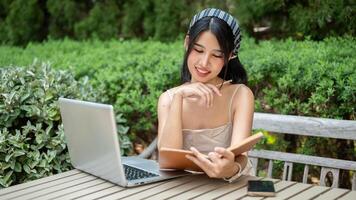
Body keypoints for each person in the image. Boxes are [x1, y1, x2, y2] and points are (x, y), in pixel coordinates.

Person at [157, 8, 254, 182]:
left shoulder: (240, 95)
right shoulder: (168, 99)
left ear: (230, 55)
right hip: (185, 189)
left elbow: (241, 155)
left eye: (217, 55)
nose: (204, 63)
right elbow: (167, 162)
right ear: (187, 43)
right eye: (198, 50)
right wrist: (179, 98)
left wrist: (230, 168)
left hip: (232, 186)